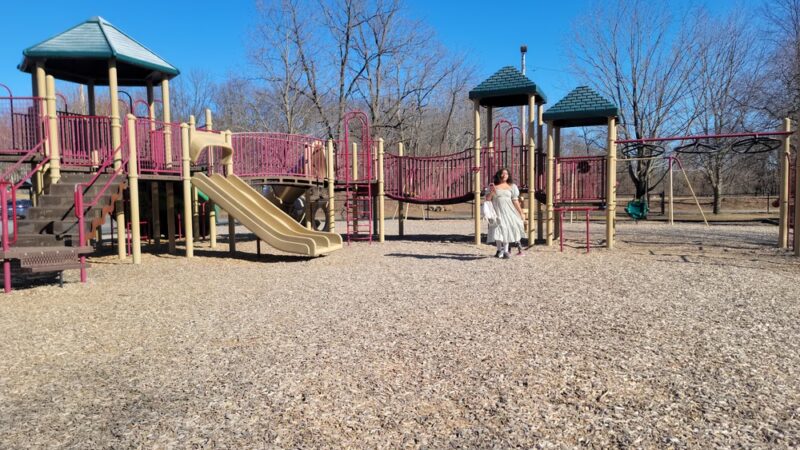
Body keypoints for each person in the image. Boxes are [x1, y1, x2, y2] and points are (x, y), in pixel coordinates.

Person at [485, 168, 526, 258]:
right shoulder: (493, 186)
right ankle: (499, 250)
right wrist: (492, 191)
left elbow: (515, 200)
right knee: (498, 229)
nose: (504, 175)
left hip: (509, 211)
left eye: (506, 173)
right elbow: (487, 199)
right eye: (502, 173)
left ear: (508, 175)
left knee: (506, 228)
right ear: (499, 175)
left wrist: (521, 212)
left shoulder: (512, 186)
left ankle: (506, 251)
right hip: (497, 211)